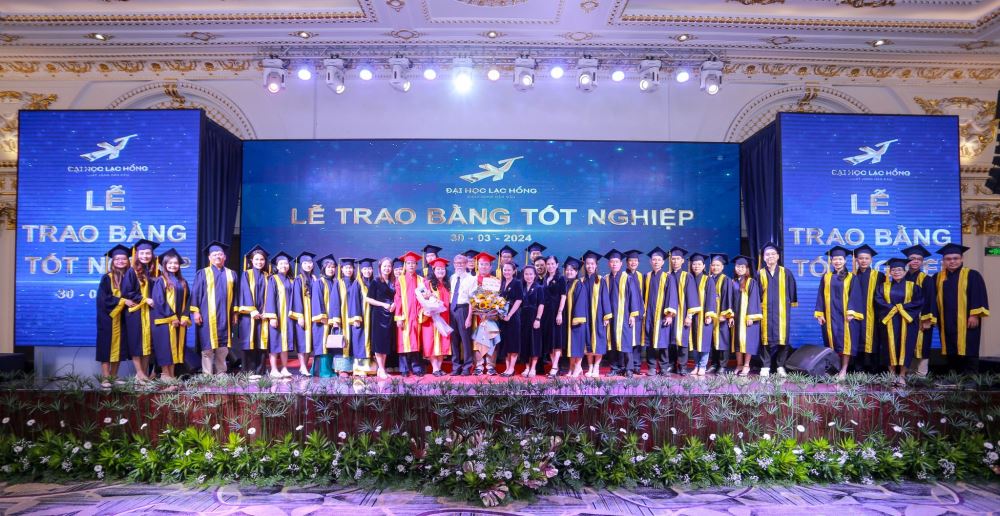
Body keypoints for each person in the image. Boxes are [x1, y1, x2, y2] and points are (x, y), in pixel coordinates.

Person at [925, 243, 990, 374]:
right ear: (943, 261)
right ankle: (954, 376)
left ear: (962, 259)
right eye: (948, 259)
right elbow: (932, 299)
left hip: (967, 320)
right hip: (946, 320)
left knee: (969, 346)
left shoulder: (972, 275)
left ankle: (971, 377)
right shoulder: (937, 277)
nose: (952, 261)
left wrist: (974, 315)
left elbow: (978, 294)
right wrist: (933, 318)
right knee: (950, 347)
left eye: (955, 258)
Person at [814, 246, 865, 380]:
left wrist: (851, 312)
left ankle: (844, 369)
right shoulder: (826, 277)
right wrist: (820, 313)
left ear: (845, 261)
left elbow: (855, 295)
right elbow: (820, 296)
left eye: (840, 259)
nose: (837, 262)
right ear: (831, 261)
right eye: (835, 259)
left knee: (846, 343)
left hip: (845, 316)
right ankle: (834, 368)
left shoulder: (851, 277)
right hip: (830, 316)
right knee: (832, 341)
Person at [191, 241, 237, 376]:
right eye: (215, 254)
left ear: (225, 257)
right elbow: (195, 293)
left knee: (223, 346)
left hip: (225, 315)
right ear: (209, 257)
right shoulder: (202, 273)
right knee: (207, 345)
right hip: (207, 315)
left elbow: (236, 295)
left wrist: (235, 313)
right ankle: (207, 373)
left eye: (220, 254)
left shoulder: (231, 274)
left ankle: (221, 371)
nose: (218, 256)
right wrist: (196, 312)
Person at [875, 257, 924, 386]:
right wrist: (893, 309)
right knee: (888, 347)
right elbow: (879, 301)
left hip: (907, 321)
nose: (896, 272)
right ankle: (891, 374)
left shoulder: (913, 287)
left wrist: (901, 308)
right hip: (889, 321)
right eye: (893, 270)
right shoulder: (882, 287)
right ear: (890, 272)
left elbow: (918, 302)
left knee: (906, 347)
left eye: (899, 270)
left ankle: (902, 375)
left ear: (905, 271)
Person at [756, 242, 797, 377]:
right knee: (765, 339)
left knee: (783, 339)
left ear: (778, 256)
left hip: (782, 311)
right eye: (767, 254)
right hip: (765, 311)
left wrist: (790, 304)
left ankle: (780, 365)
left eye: (773, 254)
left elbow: (792, 290)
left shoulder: (786, 272)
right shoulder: (760, 273)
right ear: (763, 257)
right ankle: (765, 366)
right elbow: (756, 294)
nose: (770, 257)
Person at [122, 239, 159, 382]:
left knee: (148, 344)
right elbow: (127, 292)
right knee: (136, 342)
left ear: (152, 254)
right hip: (136, 312)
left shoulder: (154, 271)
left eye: (148, 253)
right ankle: (139, 373)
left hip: (150, 313)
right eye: (142, 253)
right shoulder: (132, 271)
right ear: (137, 254)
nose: (145, 256)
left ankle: (144, 374)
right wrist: (144, 299)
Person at [150, 248, 190, 381]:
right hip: (164, 322)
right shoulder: (161, 281)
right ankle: (165, 375)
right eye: (170, 263)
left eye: (176, 263)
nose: (173, 265)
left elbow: (188, 301)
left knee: (175, 349)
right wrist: (172, 317)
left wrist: (185, 316)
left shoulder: (183, 282)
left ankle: (172, 375)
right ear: (164, 265)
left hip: (179, 322)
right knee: (165, 348)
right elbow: (159, 300)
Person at [96, 244, 132, 387]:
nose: (120, 261)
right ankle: (105, 378)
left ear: (128, 260)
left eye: (123, 259)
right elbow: (103, 299)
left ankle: (114, 376)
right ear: (112, 261)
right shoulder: (107, 278)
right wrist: (123, 301)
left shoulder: (130, 277)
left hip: (123, 318)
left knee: (120, 347)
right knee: (106, 347)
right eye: (117, 259)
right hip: (108, 318)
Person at [604, 249, 643, 377]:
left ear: (621, 264)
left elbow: (634, 297)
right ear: (609, 264)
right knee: (613, 342)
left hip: (624, 316)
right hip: (611, 316)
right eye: (612, 262)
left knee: (626, 342)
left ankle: (629, 368)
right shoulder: (606, 279)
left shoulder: (627, 278)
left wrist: (633, 315)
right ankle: (615, 368)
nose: (614, 264)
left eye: (617, 262)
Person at [666, 246, 701, 376]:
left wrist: (689, 316)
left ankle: (682, 366)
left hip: (682, 313)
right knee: (669, 340)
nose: (675, 261)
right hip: (668, 314)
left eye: (678, 259)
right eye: (673, 259)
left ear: (682, 261)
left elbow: (692, 297)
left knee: (682, 340)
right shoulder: (666, 276)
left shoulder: (687, 276)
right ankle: (671, 364)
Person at [236, 245, 269, 379]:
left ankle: (260, 371)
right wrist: (252, 310)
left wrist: (268, 311)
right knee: (249, 341)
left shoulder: (267, 276)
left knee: (261, 342)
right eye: (256, 259)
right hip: (249, 315)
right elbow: (245, 292)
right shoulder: (246, 274)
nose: (259, 262)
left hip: (263, 315)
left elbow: (270, 295)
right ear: (251, 261)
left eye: (262, 259)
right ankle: (248, 371)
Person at [641, 246, 675, 376]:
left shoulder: (668, 277)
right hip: (649, 314)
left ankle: (663, 367)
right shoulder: (647, 276)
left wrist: (669, 315)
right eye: (654, 260)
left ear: (663, 262)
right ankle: (651, 367)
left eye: (659, 260)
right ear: (650, 261)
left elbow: (671, 295)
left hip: (662, 314)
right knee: (649, 342)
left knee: (663, 342)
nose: (656, 262)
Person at [902, 244, 935, 377]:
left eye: (919, 259)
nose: (915, 261)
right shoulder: (902, 277)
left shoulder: (927, 279)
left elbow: (931, 300)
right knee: (907, 344)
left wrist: (927, 320)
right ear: (907, 260)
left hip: (922, 318)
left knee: (923, 345)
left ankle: (921, 374)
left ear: (922, 262)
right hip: (905, 318)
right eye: (912, 258)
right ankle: (908, 372)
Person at [852, 245, 885, 373]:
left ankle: (874, 369)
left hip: (874, 314)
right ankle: (858, 369)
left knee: (874, 341)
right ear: (856, 260)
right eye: (861, 258)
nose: (864, 261)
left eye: (866, 258)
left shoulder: (879, 276)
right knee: (857, 339)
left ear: (871, 260)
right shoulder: (851, 276)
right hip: (855, 314)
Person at [418, 257, 453, 376]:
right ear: (433, 270)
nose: (441, 271)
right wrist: (426, 310)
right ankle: (435, 368)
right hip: (431, 319)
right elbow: (421, 300)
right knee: (431, 341)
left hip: (445, 317)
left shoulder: (447, 285)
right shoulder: (427, 284)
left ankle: (439, 367)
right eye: (438, 269)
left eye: (442, 269)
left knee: (443, 341)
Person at [263, 252, 295, 378]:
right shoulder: (273, 279)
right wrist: (272, 316)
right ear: (277, 266)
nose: (284, 265)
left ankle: (285, 368)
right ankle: (274, 369)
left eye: (286, 263)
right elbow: (270, 297)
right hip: (277, 315)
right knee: (275, 342)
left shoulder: (291, 280)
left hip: (288, 317)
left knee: (285, 343)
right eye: (281, 263)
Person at [394, 251, 425, 377]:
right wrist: (399, 317)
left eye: (413, 263)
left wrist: (422, 313)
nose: (411, 265)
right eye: (408, 263)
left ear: (416, 265)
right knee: (403, 342)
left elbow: (424, 298)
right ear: (405, 265)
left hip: (417, 316)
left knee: (415, 342)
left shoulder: (421, 280)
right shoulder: (400, 280)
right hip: (405, 316)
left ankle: (416, 367)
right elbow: (398, 299)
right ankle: (404, 368)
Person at [730, 256, 763, 376]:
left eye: (742, 267)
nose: (740, 269)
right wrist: (731, 316)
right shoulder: (732, 282)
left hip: (747, 317)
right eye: (738, 266)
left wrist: (750, 316)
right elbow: (729, 300)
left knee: (748, 341)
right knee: (737, 341)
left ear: (746, 268)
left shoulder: (751, 282)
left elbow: (754, 299)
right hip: (736, 317)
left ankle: (746, 365)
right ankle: (739, 364)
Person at [289, 252, 319, 377]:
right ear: (301, 265)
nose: (308, 265)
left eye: (310, 263)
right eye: (305, 263)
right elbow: (296, 298)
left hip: (313, 314)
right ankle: (302, 366)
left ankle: (305, 366)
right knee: (302, 341)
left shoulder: (314, 279)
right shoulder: (298, 279)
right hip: (303, 314)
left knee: (309, 342)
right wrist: (300, 316)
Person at [471, 252, 502, 375]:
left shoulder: (495, 281)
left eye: (486, 264)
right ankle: (478, 365)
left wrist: (492, 310)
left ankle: (490, 366)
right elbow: (468, 298)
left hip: (491, 316)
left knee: (491, 339)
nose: (484, 266)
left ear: (490, 266)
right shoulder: (472, 280)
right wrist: (477, 310)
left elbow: (498, 298)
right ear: (477, 265)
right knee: (477, 340)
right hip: (476, 316)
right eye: (481, 264)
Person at [687, 253, 717, 376]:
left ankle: (703, 366)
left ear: (704, 266)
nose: (696, 266)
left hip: (704, 315)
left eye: (699, 264)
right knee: (694, 341)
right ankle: (696, 365)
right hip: (691, 316)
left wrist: (709, 314)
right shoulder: (689, 278)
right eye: (694, 264)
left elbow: (711, 297)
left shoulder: (708, 279)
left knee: (704, 341)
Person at [366, 257, 396, 379]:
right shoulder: (376, 281)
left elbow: (397, 297)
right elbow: (368, 299)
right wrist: (383, 304)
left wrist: (395, 304)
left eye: (389, 266)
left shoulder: (394, 281)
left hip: (390, 315)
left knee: (386, 343)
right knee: (379, 343)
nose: (387, 268)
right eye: (384, 266)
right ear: (380, 268)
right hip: (378, 315)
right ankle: (381, 369)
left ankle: (381, 368)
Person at [581, 250, 610, 378]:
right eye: (588, 263)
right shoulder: (581, 281)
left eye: (592, 264)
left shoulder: (601, 281)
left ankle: (597, 367)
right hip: (585, 315)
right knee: (587, 340)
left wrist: (606, 316)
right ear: (584, 265)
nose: (590, 266)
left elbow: (605, 298)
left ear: (596, 265)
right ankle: (590, 367)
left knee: (599, 340)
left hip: (598, 315)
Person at [313, 255, 342, 378]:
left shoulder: (336, 282)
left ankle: (331, 369)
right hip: (323, 321)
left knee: (332, 345)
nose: (331, 269)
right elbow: (317, 300)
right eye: (328, 267)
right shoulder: (319, 282)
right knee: (322, 345)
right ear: (323, 268)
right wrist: (322, 317)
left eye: (333, 267)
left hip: (334, 319)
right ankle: (322, 371)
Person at [448, 254, 476, 376]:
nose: (459, 265)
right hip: (452, 309)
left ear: (466, 264)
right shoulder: (452, 277)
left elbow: (472, 300)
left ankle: (467, 366)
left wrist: (469, 317)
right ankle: (456, 366)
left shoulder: (471, 279)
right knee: (453, 340)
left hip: (464, 310)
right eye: (457, 263)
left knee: (465, 340)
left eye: (462, 263)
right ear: (454, 264)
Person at [707, 253, 734, 374]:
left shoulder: (726, 279)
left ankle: (722, 365)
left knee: (722, 339)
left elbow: (728, 297)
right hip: (710, 314)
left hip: (721, 314)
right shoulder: (708, 279)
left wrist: (725, 314)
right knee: (712, 340)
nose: (715, 267)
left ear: (722, 267)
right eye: (713, 265)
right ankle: (714, 363)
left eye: (718, 265)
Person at [348, 258, 376, 376]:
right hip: (362, 319)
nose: (367, 271)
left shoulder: (373, 282)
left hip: (372, 318)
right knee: (360, 342)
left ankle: (371, 367)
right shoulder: (357, 283)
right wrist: (356, 318)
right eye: (365, 269)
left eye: (369, 268)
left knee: (371, 342)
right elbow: (354, 301)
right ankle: (360, 369)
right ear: (361, 270)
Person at [541, 255, 567, 377]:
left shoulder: (561, 278)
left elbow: (563, 296)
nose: (550, 266)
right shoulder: (545, 278)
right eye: (548, 264)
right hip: (546, 314)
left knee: (557, 340)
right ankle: (553, 366)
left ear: (557, 265)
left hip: (557, 312)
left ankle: (555, 367)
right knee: (549, 341)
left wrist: (560, 312)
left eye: (552, 264)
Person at [562, 257, 589, 377]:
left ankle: (578, 367)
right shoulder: (567, 283)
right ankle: (572, 367)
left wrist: (577, 319)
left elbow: (581, 302)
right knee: (571, 345)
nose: (569, 272)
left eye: (572, 270)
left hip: (577, 321)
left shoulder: (579, 284)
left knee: (577, 345)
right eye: (567, 270)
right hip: (568, 320)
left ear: (577, 271)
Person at [519, 261, 546, 378]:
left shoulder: (539, 288)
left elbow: (541, 304)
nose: (528, 276)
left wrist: (538, 319)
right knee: (525, 343)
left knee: (534, 343)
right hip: (523, 318)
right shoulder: (521, 287)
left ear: (535, 275)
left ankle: (533, 368)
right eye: (526, 274)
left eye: (531, 274)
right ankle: (526, 367)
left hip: (534, 317)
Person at [332, 258, 358, 376]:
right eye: (346, 268)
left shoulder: (356, 282)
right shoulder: (338, 283)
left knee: (354, 342)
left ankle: (354, 367)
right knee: (343, 343)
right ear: (342, 269)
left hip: (355, 318)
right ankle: (342, 369)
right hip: (343, 318)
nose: (349, 270)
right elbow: (335, 301)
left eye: (350, 268)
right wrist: (336, 319)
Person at [498, 261, 524, 376]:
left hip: (513, 317)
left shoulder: (517, 283)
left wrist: (509, 315)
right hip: (502, 317)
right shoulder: (502, 283)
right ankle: (507, 368)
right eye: (505, 270)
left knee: (513, 343)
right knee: (506, 344)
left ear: (514, 271)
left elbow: (519, 300)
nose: (506, 272)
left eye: (509, 270)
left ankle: (512, 368)